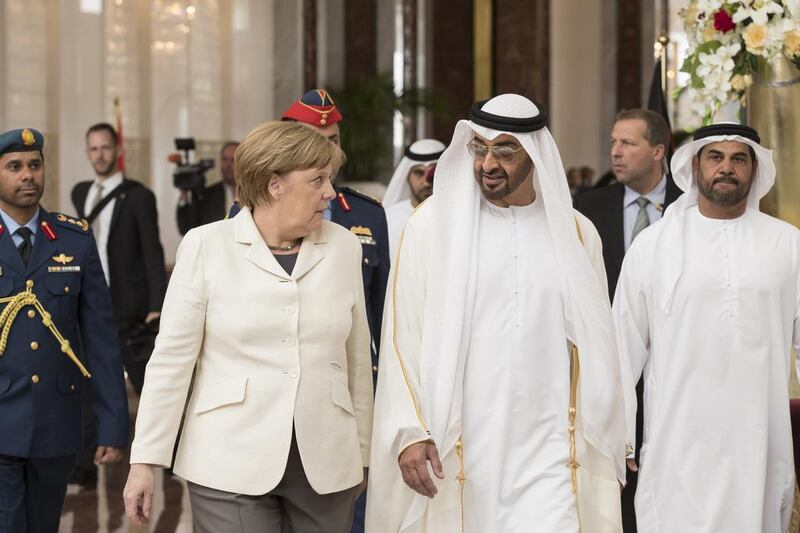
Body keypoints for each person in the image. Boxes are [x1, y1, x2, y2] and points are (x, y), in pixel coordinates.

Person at [366, 94, 626, 532]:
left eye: (504, 150)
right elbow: (399, 336)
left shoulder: (576, 233)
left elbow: (599, 344)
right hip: (459, 445)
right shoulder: (433, 227)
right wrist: (408, 431)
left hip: (552, 449)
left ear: (536, 153)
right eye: (479, 148)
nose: (488, 163)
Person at [123, 121, 374, 533]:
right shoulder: (206, 246)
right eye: (317, 180)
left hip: (326, 460)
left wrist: (362, 454)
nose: (331, 192)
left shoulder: (344, 246)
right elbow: (171, 362)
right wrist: (146, 460)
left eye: (330, 178)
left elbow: (356, 360)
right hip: (228, 459)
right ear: (274, 185)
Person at [613, 123, 800, 532]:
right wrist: (621, 433)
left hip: (760, 440)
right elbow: (622, 347)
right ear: (694, 165)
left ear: (755, 169)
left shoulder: (788, 245)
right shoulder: (653, 245)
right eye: (715, 157)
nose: (726, 168)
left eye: (739, 159)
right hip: (677, 441)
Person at [0, 128, 128, 532]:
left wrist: (111, 424)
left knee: (43, 524)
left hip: (55, 421)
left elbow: (101, 339)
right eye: (14, 167)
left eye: (35, 166)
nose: (27, 176)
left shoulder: (74, 241)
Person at [573, 108, 681, 532]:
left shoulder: (689, 205)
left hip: (671, 367)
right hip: (607, 366)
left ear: (658, 151)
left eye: (628, 144)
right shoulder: (588, 206)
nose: (615, 153)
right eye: (613, 142)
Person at [382, 139, 445, 260]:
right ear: (406, 176)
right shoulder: (388, 218)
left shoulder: (456, 217)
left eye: (433, 173)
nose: (426, 182)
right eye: (419, 173)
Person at [176, 140, 239, 235]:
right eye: (224, 159)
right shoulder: (207, 195)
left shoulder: (253, 193)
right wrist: (184, 196)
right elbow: (186, 229)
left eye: (233, 160)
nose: (227, 165)